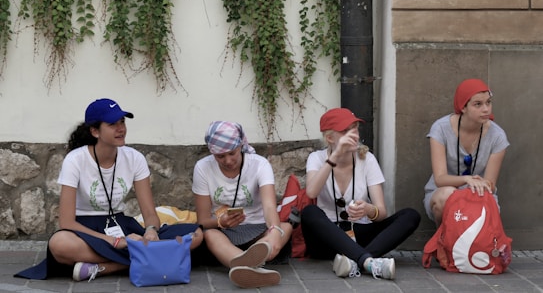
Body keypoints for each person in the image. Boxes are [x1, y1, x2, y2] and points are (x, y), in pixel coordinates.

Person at [15, 98, 203, 281]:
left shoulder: (134, 158)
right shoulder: (75, 160)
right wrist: (115, 242)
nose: (121, 128)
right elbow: (66, 222)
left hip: (121, 225)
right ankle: (153, 257)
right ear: (95, 131)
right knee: (59, 244)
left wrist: (151, 231)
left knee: (195, 235)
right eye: (113, 124)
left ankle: (102, 268)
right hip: (86, 230)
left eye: (122, 122)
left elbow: (148, 213)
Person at [301, 108, 421, 280]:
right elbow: (311, 191)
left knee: (410, 215)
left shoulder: (367, 159)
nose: (353, 134)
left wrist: (368, 209)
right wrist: (335, 156)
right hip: (327, 238)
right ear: (329, 138)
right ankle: (368, 262)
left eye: (355, 128)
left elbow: (381, 212)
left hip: (359, 233)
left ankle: (357, 262)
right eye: (345, 131)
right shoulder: (317, 158)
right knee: (309, 213)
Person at [192, 121, 292, 289]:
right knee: (209, 235)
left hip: (259, 228)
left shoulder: (260, 164)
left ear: (241, 145)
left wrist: (274, 231)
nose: (228, 160)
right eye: (220, 156)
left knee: (285, 228)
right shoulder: (203, 167)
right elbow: (202, 220)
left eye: (232, 153)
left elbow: (269, 206)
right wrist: (220, 222)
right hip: (224, 231)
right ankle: (250, 267)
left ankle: (243, 266)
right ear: (212, 153)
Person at [423, 79, 509, 225]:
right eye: (478, 104)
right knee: (447, 194)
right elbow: (440, 179)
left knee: (483, 205)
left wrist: (475, 187)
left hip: (479, 193)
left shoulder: (498, 136)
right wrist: (466, 180)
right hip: (443, 192)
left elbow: (490, 184)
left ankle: (475, 244)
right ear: (463, 107)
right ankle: (444, 241)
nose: (486, 109)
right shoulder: (441, 129)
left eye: (488, 102)